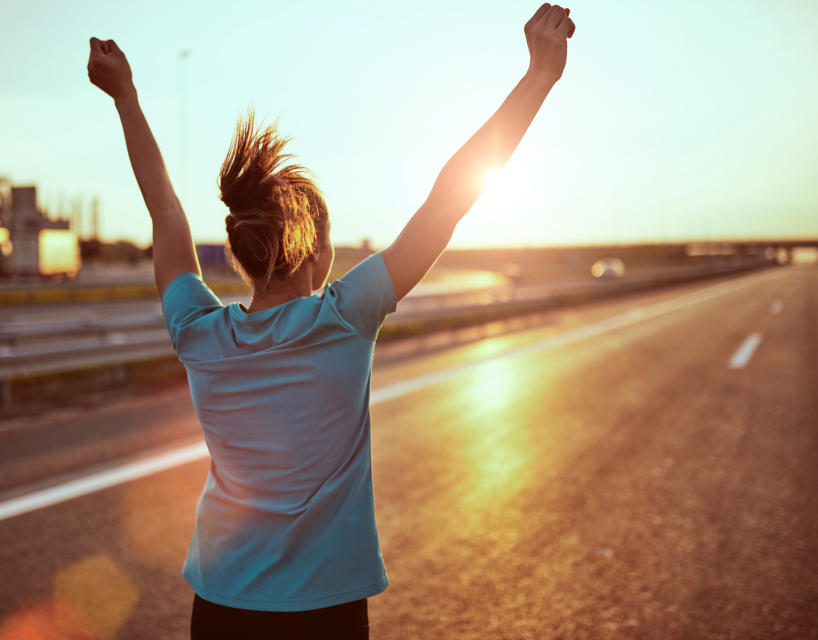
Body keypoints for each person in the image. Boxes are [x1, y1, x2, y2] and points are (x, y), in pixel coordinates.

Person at [86, 4, 574, 637]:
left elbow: (166, 212)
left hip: (221, 608)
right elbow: (451, 198)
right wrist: (537, 78)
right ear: (315, 250)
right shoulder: (344, 319)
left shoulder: (198, 334)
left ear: (240, 254)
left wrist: (124, 95)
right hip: (325, 613)